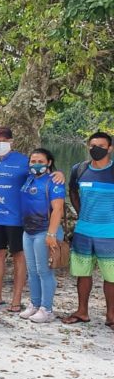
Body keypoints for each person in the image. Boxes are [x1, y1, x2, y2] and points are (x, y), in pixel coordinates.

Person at [0, 127, 65, 312]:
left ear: (11, 141)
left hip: (18, 219)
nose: (0, 144)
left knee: (20, 257)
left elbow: (41, 176)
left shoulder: (23, 162)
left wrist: (59, 173)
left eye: (4, 140)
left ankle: (17, 299)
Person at [64, 131, 114, 327]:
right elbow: (72, 191)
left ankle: (111, 316)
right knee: (83, 273)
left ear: (109, 148)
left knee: (111, 277)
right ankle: (82, 311)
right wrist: (80, 212)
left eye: (101, 146)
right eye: (92, 146)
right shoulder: (80, 169)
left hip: (110, 233)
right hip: (83, 231)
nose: (96, 149)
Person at [16, 148, 65, 323]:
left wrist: (51, 234)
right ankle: (35, 304)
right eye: (33, 162)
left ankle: (47, 309)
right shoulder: (28, 178)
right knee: (32, 270)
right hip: (28, 231)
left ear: (49, 163)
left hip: (45, 231)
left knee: (44, 271)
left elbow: (58, 209)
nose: (36, 165)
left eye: (40, 162)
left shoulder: (54, 181)